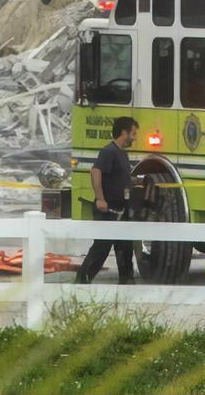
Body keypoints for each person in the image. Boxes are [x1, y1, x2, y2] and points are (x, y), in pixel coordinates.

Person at [75, 115, 138, 285]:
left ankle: (127, 282)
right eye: (133, 133)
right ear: (124, 132)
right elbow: (96, 172)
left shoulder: (122, 154)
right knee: (102, 247)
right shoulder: (108, 151)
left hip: (121, 210)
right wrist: (100, 199)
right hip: (107, 210)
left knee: (125, 248)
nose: (135, 137)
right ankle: (82, 281)